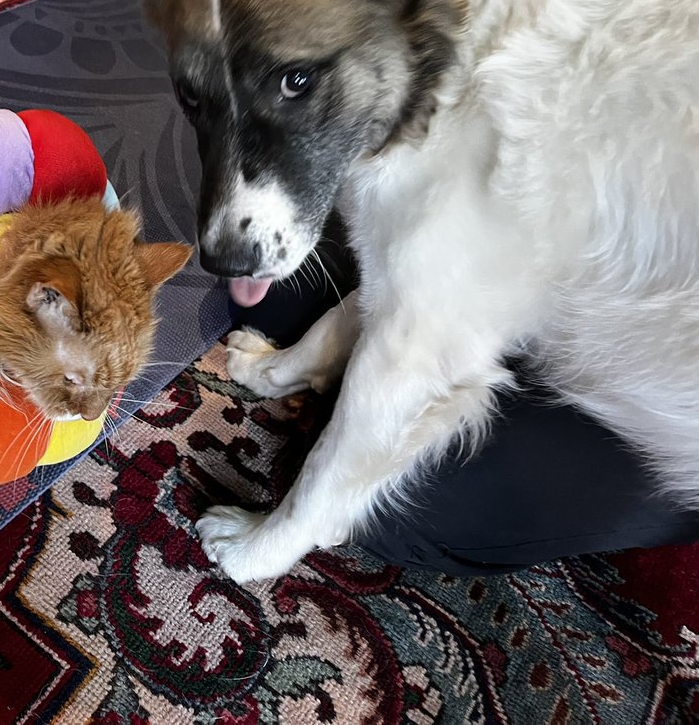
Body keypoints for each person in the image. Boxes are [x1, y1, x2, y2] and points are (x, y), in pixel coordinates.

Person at [231, 220, 699, 575]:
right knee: (267, 291)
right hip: (571, 251)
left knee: (410, 504)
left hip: (667, 401)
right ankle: (316, 369)